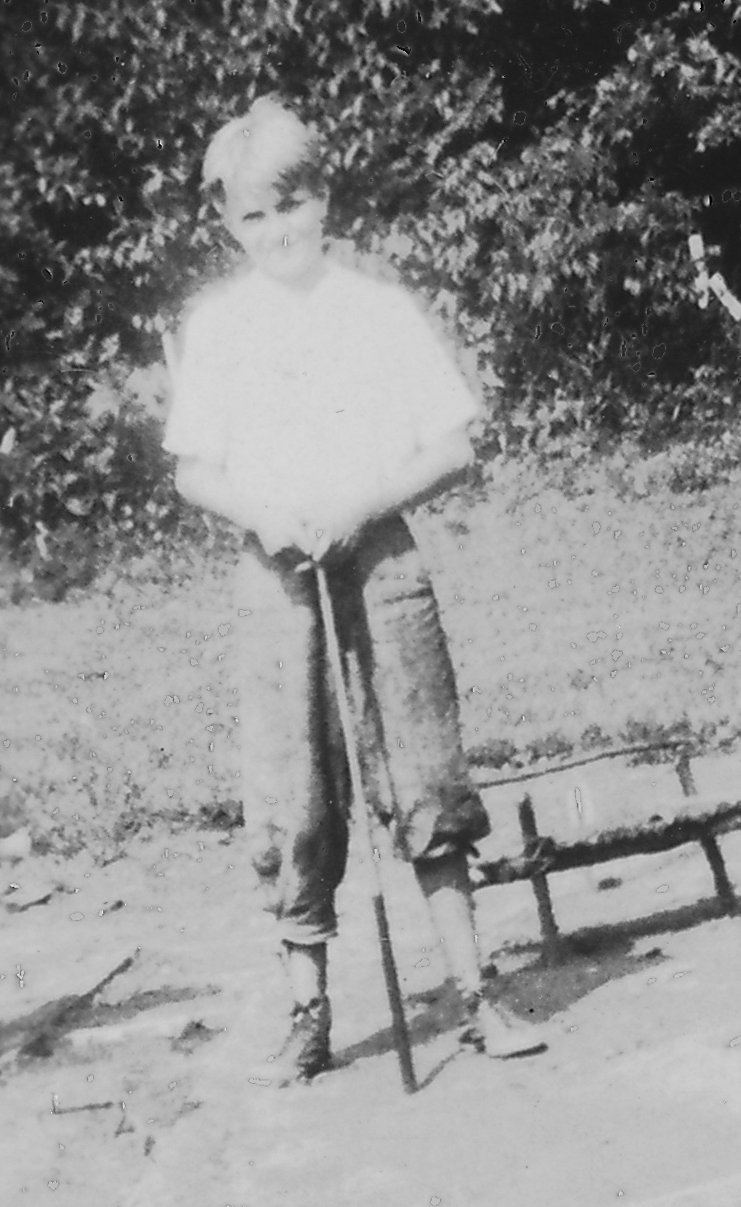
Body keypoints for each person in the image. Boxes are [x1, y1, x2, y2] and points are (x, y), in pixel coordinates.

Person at [163, 97, 546, 1083]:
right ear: (227, 226)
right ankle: (309, 1011)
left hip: (380, 557)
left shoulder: (376, 310)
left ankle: (472, 993)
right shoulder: (218, 327)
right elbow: (193, 470)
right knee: (293, 792)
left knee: (423, 771)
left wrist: (359, 500)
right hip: (276, 571)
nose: (278, 230)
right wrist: (264, 513)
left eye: (292, 205)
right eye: (254, 218)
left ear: (323, 199)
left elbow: (453, 445)